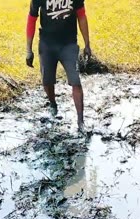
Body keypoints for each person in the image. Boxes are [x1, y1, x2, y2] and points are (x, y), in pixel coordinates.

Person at [25, 0, 91, 132]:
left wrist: (87, 44)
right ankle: (53, 104)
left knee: (75, 81)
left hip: (69, 44)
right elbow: (31, 19)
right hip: (47, 44)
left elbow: (82, 15)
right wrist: (28, 49)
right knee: (47, 80)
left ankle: (80, 121)